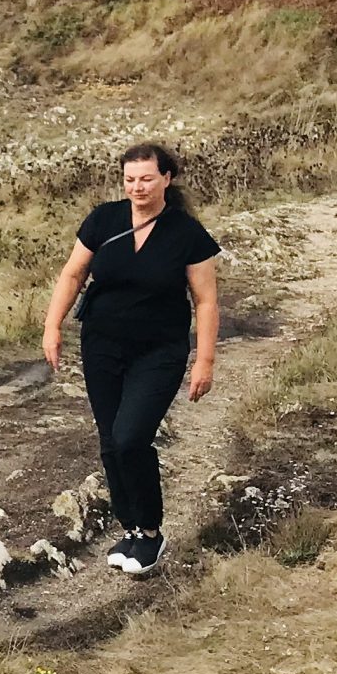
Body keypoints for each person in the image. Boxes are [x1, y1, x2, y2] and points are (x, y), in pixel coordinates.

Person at [41, 142, 221, 577]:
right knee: (110, 441)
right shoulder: (104, 219)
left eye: (146, 179)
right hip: (102, 346)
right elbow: (73, 273)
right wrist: (52, 325)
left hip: (160, 350)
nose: (137, 187)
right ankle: (132, 528)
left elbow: (206, 301)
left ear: (166, 179)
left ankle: (152, 531)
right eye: (130, 179)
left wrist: (205, 360)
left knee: (130, 437)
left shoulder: (186, 233)